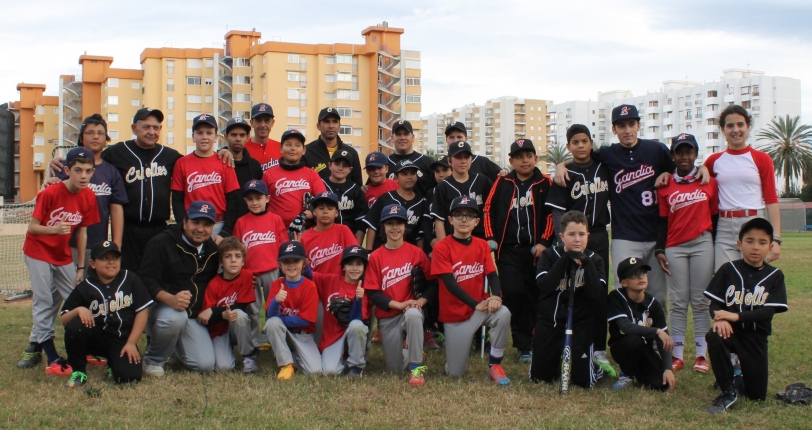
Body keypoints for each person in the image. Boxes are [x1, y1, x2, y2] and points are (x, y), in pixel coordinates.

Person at [555, 104, 702, 305]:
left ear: (638, 125)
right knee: (623, 291)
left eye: (631, 124)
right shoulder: (608, 154)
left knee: (657, 294)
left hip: (655, 233)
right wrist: (560, 165)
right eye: (621, 125)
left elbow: (682, 171)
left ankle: (656, 334)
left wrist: (696, 170)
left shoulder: (656, 149)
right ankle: (624, 335)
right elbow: (581, 156)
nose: (627, 130)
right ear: (614, 129)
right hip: (625, 235)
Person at [18, 147, 100, 375]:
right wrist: (54, 229)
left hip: (62, 254)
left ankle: (87, 347)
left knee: (77, 297)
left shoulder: (89, 196)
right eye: (78, 170)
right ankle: (52, 357)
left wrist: (81, 267)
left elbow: (82, 233)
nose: (83, 176)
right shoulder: (51, 193)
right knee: (44, 301)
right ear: (67, 170)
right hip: (37, 252)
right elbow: (32, 227)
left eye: (88, 171)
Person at [545, 125, 612, 369]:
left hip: (598, 236)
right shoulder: (565, 173)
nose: (581, 145)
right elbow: (556, 212)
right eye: (575, 142)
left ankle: (599, 348)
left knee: (598, 291)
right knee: (570, 289)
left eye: (585, 140)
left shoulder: (604, 167)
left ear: (592, 143)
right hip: (573, 238)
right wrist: (563, 239)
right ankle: (567, 340)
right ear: (568, 146)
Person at [704, 218, 788, 414]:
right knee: (714, 335)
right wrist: (721, 317)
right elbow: (715, 303)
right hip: (730, 332)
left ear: (770, 246)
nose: (755, 247)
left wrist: (735, 317)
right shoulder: (728, 269)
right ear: (739, 244)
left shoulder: (775, 275)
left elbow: (768, 311)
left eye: (762, 242)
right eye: (749, 241)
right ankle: (727, 391)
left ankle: (735, 378)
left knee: (756, 395)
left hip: (756, 337)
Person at [484, 138, 554, 364]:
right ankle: (506, 333)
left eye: (529, 156)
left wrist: (544, 241)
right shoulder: (503, 182)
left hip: (537, 251)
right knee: (512, 292)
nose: (525, 160)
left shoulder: (546, 183)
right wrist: (491, 237)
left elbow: (552, 213)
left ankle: (525, 344)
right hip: (508, 249)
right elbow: (487, 209)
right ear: (511, 160)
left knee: (534, 294)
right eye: (519, 157)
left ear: (536, 158)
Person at [655, 133, 717, 373]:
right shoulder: (664, 184)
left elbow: (715, 216)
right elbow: (662, 221)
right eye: (679, 152)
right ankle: (677, 355)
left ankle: (701, 355)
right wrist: (660, 249)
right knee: (679, 302)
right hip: (675, 246)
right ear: (673, 155)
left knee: (701, 301)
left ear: (695, 154)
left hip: (703, 243)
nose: (684, 156)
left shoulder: (708, 181)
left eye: (688, 151)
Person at [433, 196, 511, 384]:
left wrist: (496, 298)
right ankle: (453, 362)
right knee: (455, 373)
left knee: (503, 313)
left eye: (469, 215)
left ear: (477, 221)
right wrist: (475, 304)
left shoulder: (481, 244)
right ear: (450, 220)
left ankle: (494, 365)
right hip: (456, 315)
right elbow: (450, 283)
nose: (464, 219)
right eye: (458, 215)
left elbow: (492, 274)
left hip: (480, 309)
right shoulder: (442, 247)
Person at [139, 200, 220, 375]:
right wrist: (170, 299)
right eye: (195, 222)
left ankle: (173, 347)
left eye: (207, 224)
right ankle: (154, 360)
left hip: (191, 315)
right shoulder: (161, 242)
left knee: (204, 365)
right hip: (161, 309)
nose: (200, 229)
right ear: (184, 222)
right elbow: (146, 279)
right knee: (174, 318)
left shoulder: (212, 250)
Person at [60, 241, 152, 387]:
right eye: (104, 258)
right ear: (93, 263)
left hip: (121, 340)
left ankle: (113, 362)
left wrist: (131, 343)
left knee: (129, 378)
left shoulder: (131, 278)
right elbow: (64, 320)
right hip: (96, 339)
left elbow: (142, 311)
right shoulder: (85, 287)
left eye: (115, 258)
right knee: (75, 325)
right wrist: (78, 310)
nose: (111, 262)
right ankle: (79, 371)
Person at [532, 211, 606, 387]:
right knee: (540, 378)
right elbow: (545, 286)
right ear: (561, 236)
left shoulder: (595, 260)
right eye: (571, 235)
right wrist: (565, 260)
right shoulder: (550, 256)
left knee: (583, 382)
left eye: (581, 234)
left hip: (580, 325)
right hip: (551, 322)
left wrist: (586, 265)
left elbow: (598, 295)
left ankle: (594, 367)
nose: (577, 239)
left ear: (588, 235)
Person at [364, 204, 435, 386]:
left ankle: (417, 369)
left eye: (399, 223)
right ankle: (413, 351)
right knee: (394, 369)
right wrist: (399, 304)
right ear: (383, 227)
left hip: (411, 311)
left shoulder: (416, 253)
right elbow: (372, 292)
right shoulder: (376, 256)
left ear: (405, 227)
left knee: (412, 314)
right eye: (390, 223)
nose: (395, 228)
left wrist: (421, 300)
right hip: (388, 315)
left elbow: (433, 283)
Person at [704, 105, 781, 270]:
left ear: (748, 127)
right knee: (725, 281)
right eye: (730, 126)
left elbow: (771, 199)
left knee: (751, 282)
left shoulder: (761, 159)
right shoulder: (713, 161)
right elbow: (700, 188)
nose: (735, 130)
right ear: (723, 129)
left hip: (753, 223)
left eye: (740, 124)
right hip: (724, 227)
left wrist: (776, 239)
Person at [53, 114, 127, 279]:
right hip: (63, 242)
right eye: (90, 132)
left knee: (89, 294)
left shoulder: (111, 172)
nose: (95, 136)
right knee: (56, 295)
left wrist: (116, 244)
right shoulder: (65, 167)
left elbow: (116, 210)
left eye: (100, 133)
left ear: (106, 138)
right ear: (81, 137)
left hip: (95, 244)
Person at [231, 179, 287, 351]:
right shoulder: (242, 222)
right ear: (245, 201)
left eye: (258, 198)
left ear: (267, 198)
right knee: (253, 309)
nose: (254, 202)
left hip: (272, 270)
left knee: (274, 305)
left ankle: (275, 337)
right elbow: (236, 248)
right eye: (250, 199)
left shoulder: (276, 219)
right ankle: (254, 341)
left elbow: (283, 245)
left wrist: (282, 268)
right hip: (250, 273)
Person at [607, 257, 675, 392]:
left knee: (661, 385)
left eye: (643, 273)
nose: (641, 277)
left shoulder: (653, 304)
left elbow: (664, 341)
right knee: (633, 339)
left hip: (645, 349)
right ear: (624, 282)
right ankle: (627, 374)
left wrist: (668, 368)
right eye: (634, 275)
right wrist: (656, 331)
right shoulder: (616, 297)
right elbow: (625, 326)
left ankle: (638, 371)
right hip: (623, 348)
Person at [171, 114, 240, 243]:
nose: (204, 137)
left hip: (218, 224)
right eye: (199, 132)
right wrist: (183, 226)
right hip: (192, 224)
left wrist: (225, 231)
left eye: (209, 133)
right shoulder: (182, 163)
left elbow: (233, 201)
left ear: (215, 137)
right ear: (193, 137)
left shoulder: (225, 161)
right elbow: (177, 200)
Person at [197, 237, 257, 373]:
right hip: (219, 330)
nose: (233, 260)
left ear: (243, 261)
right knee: (224, 368)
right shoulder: (214, 284)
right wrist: (220, 314)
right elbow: (206, 317)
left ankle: (249, 356)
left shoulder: (246, 276)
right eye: (228, 256)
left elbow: (241, 306)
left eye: (238, 256)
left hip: (236, 327)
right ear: (220, 262)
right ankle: (226, 350)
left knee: (240, 315)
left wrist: (214, 310)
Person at [264, 241, 321, 380]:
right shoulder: (276, 284)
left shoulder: (310, 286)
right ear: (280, 264)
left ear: (304, 263)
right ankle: (286, 364)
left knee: (314, 371)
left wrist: (280, 321)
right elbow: (270, 316)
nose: (291, 265)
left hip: (303, 334)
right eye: (286, 261)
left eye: (296, 261)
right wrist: (276, 301)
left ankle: (289, 354)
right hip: (284, 333)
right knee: (272, 323)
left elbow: (305, 319)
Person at [310, 245, 369, 378]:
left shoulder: (364, 289)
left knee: (357, 326)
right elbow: (308, 274)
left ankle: (356, 366)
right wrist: (300, 252)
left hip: (352, 335)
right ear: (343, 267)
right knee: (330, 372)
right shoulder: (330, 280)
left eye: (359, 264)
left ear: (364, 267)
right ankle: (342, 359)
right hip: (332, 337)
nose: (354, 268)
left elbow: (356, 318)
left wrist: (358, 299)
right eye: (350, 264)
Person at [262, 129, 327, 228]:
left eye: (297, 145)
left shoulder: (311, 174)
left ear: (304, 150)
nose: (293, 148)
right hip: (276, 229)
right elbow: (261, 202)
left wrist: (306, 214)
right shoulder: (269, 174)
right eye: (288, 145)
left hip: (305, 229)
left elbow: (323, 200)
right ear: (280, 149)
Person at [432, 141, 493, 241]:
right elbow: (439, 220)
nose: (463, 161)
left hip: (480, 240)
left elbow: (490, 213)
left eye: (466, 157)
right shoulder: (443, 186)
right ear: (449, 161)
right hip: (452, 240)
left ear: (471, 160)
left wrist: (491, 237)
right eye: (458, 157)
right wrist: (443, 247)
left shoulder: (482, 181)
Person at [363, 161, 429, 250]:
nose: (409, 177)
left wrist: (420, 256)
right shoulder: (386, 198)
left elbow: (420, 235)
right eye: (404, 174)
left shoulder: (422, 202)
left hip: (409, 253)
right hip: (382, 249)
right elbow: (372, 226)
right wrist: (369, 251)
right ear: (396, 178)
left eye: (412, 173)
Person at [300, 192, 359, 278]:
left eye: (330, 208)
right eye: (321, 208)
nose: (325, 211)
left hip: (340, 285)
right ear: (314, 212)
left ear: (336, 213)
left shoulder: (343, 230)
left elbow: (356, 256)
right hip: (315, 285)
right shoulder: (304, 238)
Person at [303, 107, 363, 187]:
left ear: (339, 126)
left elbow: (358, 186)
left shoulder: (351, 153)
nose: (331, 126)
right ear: (318, 126)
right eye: (326, 122)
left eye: (335, 122)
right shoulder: (306, 152)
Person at [322, 149, 367, 243]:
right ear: (330, 165)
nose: (340, 168)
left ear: (350, 169)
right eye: (337, 164)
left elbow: (360, 221)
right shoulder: (320, 184)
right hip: (324, 237)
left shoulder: (355, 189)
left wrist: (356, 245)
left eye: (345, 165)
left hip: (348, 238)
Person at [223, 117, 263, 217]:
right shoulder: (218, 163)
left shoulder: (255, 166)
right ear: (226, 136)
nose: (238, 139)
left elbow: (260, 196)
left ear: (248, 137)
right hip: (223, 222)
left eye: (242, 135)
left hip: (248, 223)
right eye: (233, 135)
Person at [385, 119, 436, 196]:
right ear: (392, 138)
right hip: (393, 207)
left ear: (412, 137)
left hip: (422, 207)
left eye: (406, 134)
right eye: (398, 134)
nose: (402, 137)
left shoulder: (427, 162)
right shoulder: (384, 163)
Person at [243, 103, 281, 172]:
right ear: (251, 123)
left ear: (272, 123)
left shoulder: (281, 148)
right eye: (258, 121)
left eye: (267, 121)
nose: (263, 125)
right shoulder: (243, 148)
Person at [425, 155, 452, 251]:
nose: (441, 174)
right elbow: (425, 219)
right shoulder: (431, 193)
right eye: (437, 171)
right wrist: (431, 239)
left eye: (445, 170)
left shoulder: (458, 191)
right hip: (435, 242)